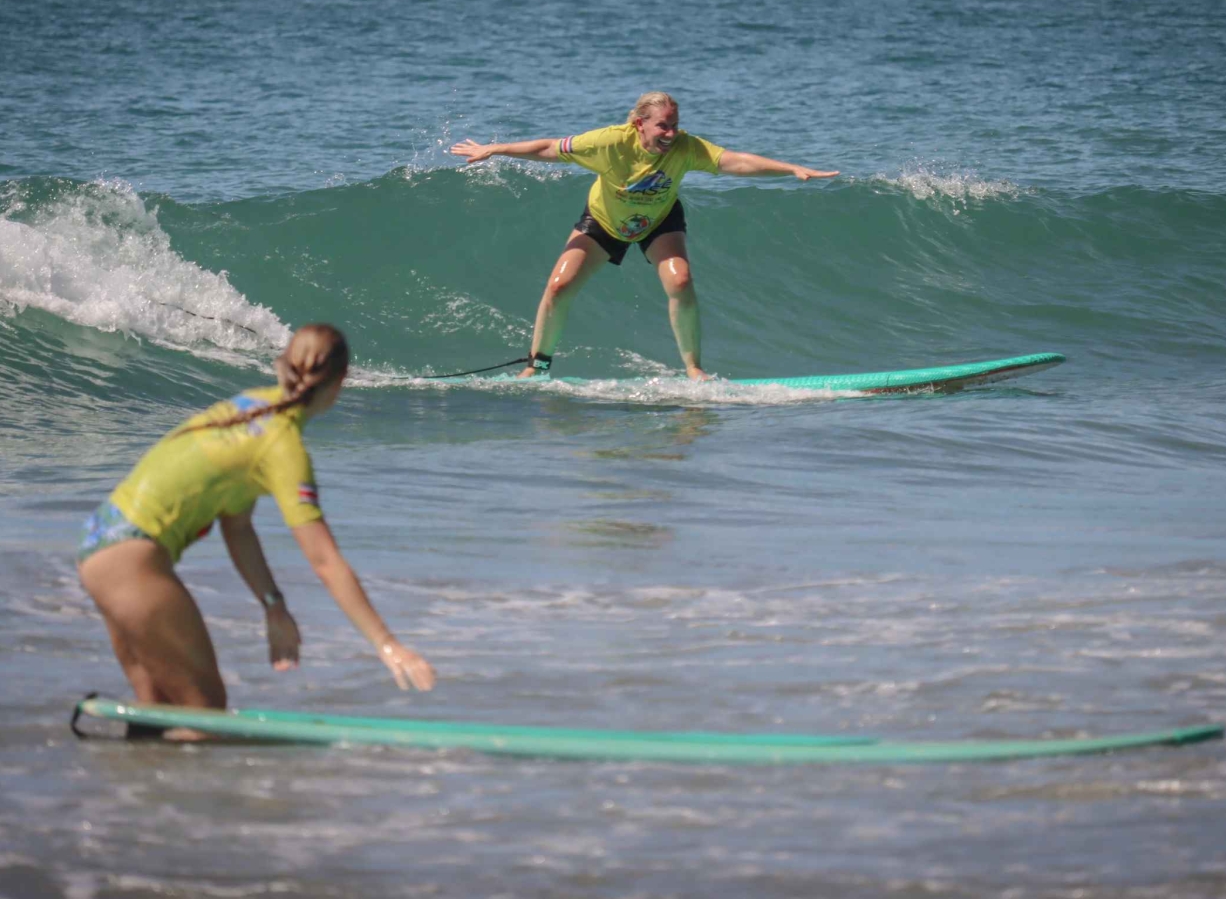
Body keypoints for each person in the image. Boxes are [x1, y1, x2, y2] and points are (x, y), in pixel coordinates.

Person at [76, 324, 434, 736]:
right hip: (132, 561)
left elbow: (238, 526)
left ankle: (126, 777)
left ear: (283, 363)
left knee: (156, 708)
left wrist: (272, 604)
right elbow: (324, 561)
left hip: (96, 546)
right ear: (340, 383)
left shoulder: (250, 407)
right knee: (205, 712)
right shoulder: (283, 445)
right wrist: (387, 644)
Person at [450, 92, 839, 380]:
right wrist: (497, 149)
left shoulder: (686, 147)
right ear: (640, 124)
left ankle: (694, 369)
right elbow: (551, 148)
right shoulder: (608, 142)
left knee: (680, 281)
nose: (671, 132)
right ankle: (537, 366)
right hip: (604, 220)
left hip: (658, 220)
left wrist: (790, 169)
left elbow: (733, 161)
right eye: (662, 125)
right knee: (558, 286)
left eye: (674, 124)